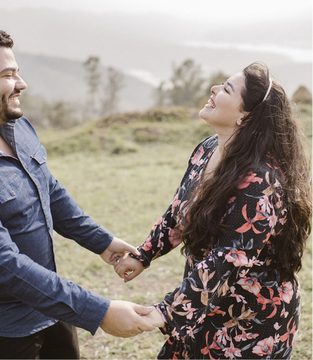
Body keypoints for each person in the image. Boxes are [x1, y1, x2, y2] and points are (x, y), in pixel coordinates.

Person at [0, 24, 162, 359]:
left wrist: (100, 241)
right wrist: (101, 312)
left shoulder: (16, 126)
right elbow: (2, 265)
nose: (21, 83)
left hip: (51, 304)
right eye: (9, 74)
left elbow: (48, 189)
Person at [114, 62, 310, 359]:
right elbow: (180, 211)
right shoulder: (206, 149)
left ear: (245, 116)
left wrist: (165, 312)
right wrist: (144, 254)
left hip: (250, 319)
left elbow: (228, 259)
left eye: (226, 89)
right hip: (203, 299)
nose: (214, 89)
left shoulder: (261, 181)